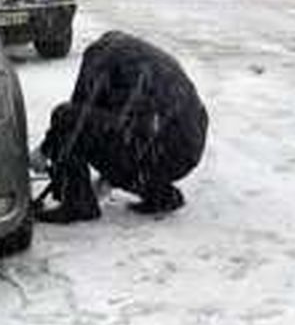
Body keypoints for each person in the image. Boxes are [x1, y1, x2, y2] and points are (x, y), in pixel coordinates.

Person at [33, 30, 208, 223]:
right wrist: (109, 176)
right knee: (130, 136)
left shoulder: (100, 57)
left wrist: (45, 151)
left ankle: (77, 204)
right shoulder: (142, 60)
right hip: (186, 150)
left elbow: (76, 116)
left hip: (157, 143)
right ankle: (160, 195)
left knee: (65, 116)